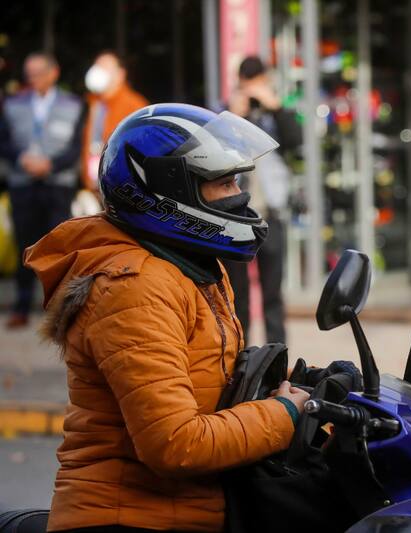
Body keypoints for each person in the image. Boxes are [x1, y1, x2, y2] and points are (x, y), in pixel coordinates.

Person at [24, 103, 309, 532]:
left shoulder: (192, 267)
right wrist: (282, 415)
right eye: (223, 181)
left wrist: (288, 383)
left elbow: (198, 369)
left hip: (188, 512)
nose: (240, 196)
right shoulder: (133, 287)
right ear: (169, 194)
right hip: (127, 518)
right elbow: (176, 443)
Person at [0, 52, 83, 329]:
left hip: (57, 184)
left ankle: (60, 308)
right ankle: (22, 305)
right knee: (25, 244)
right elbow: (5, 141)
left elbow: (76, 147)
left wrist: (51, 164)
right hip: (23, 184)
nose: (32, 78)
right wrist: (22, 160)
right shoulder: (13, 104)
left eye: (38, 72)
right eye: (29, 73)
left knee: (60, 245)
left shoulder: (73, 104)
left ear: (53, 72)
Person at [223, 55, 302, 344]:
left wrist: (277, 107)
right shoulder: (227, 113)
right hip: (235, 217)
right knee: (237, 295)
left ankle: (276, 356)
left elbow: (297, 142)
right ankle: (239, 356)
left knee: (273, 294)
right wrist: (234, 116)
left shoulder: (276, 114)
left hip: (271, 212)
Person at [81, 50, 148, 192]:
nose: (98, 72)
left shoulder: (135, 105)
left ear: (120, 74)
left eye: (104, 68)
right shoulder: (91, 102)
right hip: (94, 184)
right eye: (97, 66)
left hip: (122, 187)